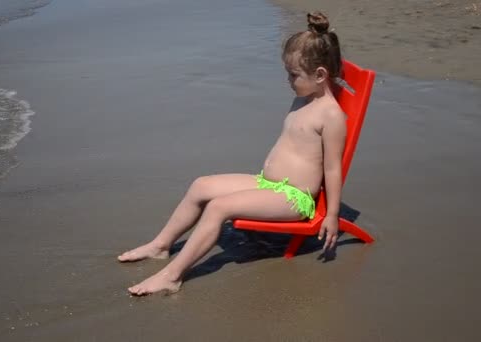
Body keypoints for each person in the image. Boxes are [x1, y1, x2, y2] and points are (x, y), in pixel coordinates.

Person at [119, 11, 346, 296]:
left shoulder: (332, 116)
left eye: (293, 75)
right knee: (201, 185)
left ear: (321, 75)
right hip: (270, 184)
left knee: (219, 207)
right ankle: (161, 246)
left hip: (293, 198)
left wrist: (332, 214)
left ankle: (172, 275)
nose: (288, 80)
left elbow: (332, 168)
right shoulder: (305, 96)